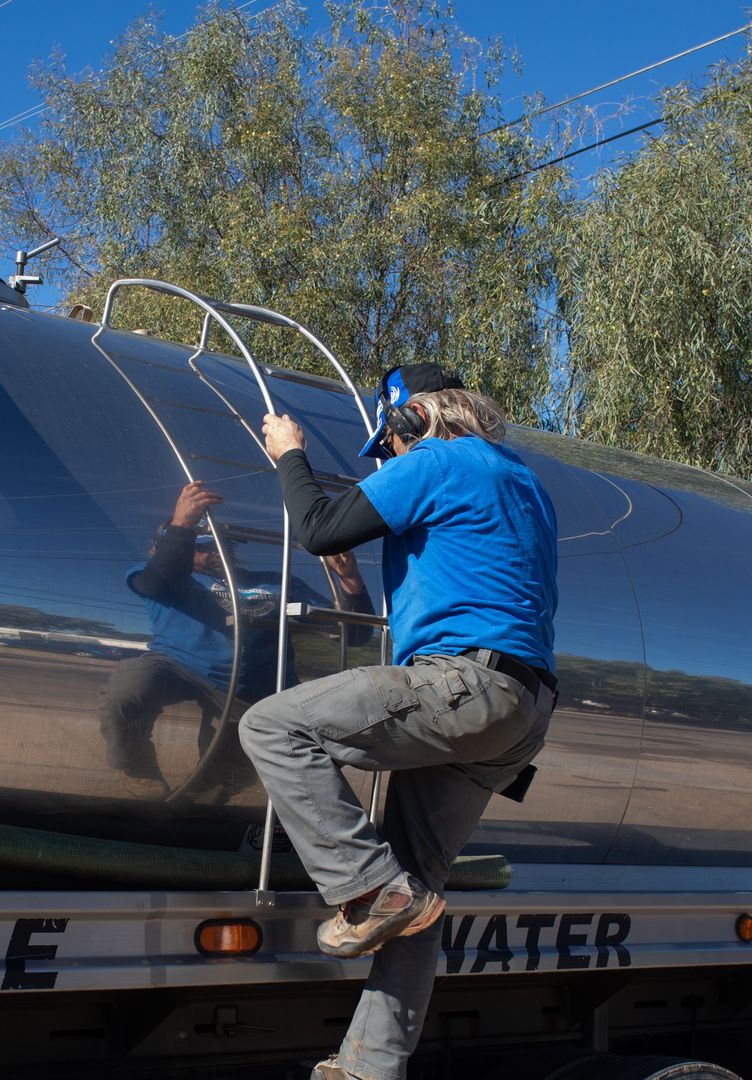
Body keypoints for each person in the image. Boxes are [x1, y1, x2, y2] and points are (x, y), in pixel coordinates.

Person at [241, 363, 559, 1080]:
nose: (387, 458)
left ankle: (362, 883)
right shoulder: (523, 482)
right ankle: (370, 1067)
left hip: (462, 683)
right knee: (419, 892)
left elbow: (320, 527)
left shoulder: (437, 460)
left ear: (412, 418)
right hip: (523, 704)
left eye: (387, 441)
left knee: (272, 727)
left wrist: (290, 453)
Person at [100, 480, 370, 799]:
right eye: (200, 545)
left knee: (223, 776)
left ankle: (197, 816)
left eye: (218, 543)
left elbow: (353, 634)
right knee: (128, 687)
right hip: (179, 666)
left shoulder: (278, 582)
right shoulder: (164, 575)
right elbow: (157, 580)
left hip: (253, 684)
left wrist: (349, 579)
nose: (213, 550)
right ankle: (137, 768)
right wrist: (182, 525)